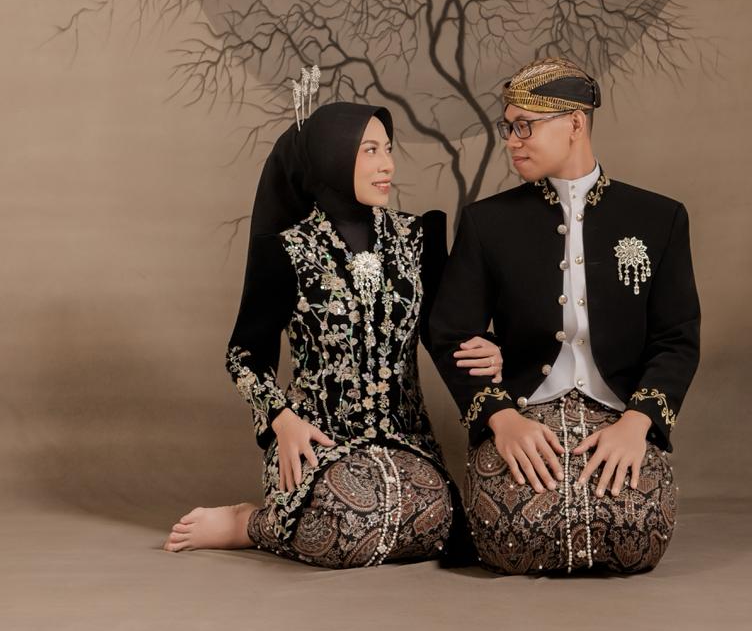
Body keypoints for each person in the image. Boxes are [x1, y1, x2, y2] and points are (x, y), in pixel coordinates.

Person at [164, 101, 502, 566]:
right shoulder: (287, 251)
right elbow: (244, 355)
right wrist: (282, 420)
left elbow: (443, 336)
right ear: (332, 157)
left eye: (388, 148)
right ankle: (249, 524)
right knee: (344, 524)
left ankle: (284, 523)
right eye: (370, 150)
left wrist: (491, 350)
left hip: (405, 443)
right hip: (315, 441)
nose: (388, 164)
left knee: (440, 519)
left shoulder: (417, 238)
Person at [429, 57, 700, 575]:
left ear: (575, 123)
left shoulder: (658, 218)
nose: (512, 141)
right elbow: (450, 332)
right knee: (512, 536)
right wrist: (501, 419)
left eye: (525, 126)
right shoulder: (488, 223)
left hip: (618, 415)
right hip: (522, 411)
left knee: (637, 533)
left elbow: (677, 337)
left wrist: (637, 424)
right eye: (508, 127)